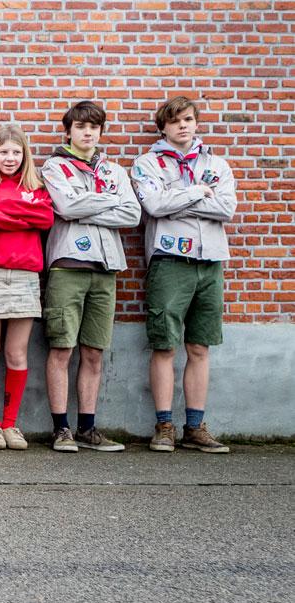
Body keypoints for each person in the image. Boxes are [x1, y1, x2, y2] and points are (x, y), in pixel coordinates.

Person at [131, 96, 236, 453]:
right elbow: (155, 206)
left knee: (200, 347)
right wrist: (196, 191)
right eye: (175, 121)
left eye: (188, 119)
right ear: (163, 127)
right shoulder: (148, 163)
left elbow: (226, 208)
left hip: (210, 262)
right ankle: (164, 426)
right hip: (170, 261)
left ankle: (195, 427)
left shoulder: (216, 163)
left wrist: (179, 198)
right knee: (164, 345)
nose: (183, 126)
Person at [41, 101, 141, 452]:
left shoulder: (113, 169)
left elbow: (131, 212)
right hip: (68, 266)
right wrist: (106, 201)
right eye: (81, 127)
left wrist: (88, 203)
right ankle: (61, 429)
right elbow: (65, 208)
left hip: (106, 268)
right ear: (68, 130)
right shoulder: (55, 167)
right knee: (62, 349)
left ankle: (87, 427)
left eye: (94, 127)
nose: (88, 133)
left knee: (94, 352)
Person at [0, 125, 55, 451]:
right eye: (3, 152)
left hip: (24, 276)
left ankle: (10, 423)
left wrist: (8, 212)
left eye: (16, 152)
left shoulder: (36, 188)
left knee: (16, 353)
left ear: (24, 155)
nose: (9, 158)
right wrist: (24, 216)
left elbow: (45, 218)